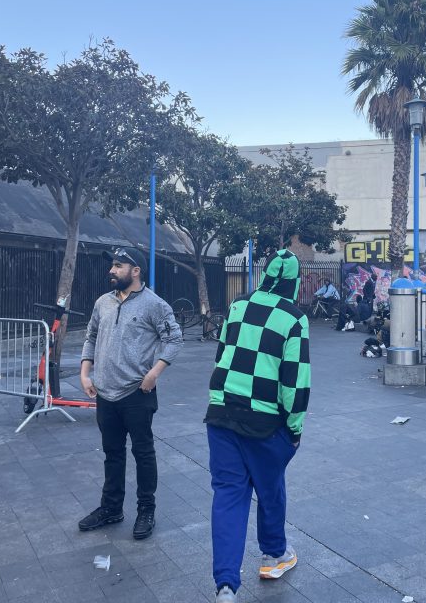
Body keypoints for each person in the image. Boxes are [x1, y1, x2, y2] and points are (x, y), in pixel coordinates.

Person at [205, 249, 311, 603]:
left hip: (221, 414)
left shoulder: (238, 305)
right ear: (294, 282)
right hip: (265, 422)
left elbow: (222, 354)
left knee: (228, 495)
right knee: (270, 490)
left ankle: (225, 587)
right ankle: (274, 555)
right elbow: (295, 383)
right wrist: (294, 430)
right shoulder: (294, 319)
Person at [78, 246, 183, 539]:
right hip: (105, 394)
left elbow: (174, 340)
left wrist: (153, 373)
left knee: (143, 454)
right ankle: (111, 508)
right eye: (112, 265)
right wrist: (85, 372)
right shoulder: (103, 303)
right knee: (112, 454)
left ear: (135, 271)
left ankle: (145, 510)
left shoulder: (155, 305)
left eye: (119, 265)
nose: (112, 270)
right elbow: (91, 336)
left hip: (137, 393)